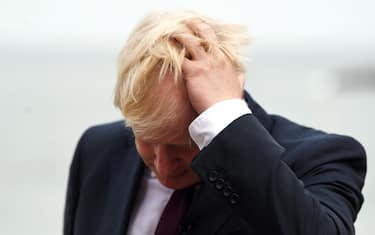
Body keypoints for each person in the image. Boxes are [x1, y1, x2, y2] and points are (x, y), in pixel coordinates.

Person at [63, 10, 366, 235]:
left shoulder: (323, 158)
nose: (164, 166)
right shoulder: (98, 150)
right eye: (146, 139)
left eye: (183, 144)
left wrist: (226, 119)